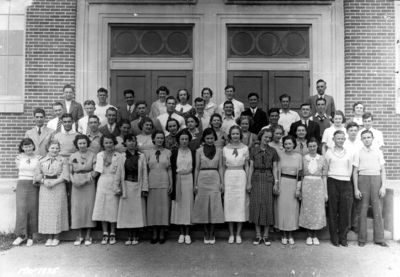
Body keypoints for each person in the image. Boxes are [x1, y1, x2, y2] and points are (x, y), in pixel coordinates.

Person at [353, 130, 388, 248]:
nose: (367, 139)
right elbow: (354, 172)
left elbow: (383, 170)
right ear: (361, 139)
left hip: (376, 179)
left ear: (372, 138)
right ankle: (362, 239)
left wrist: (383, 186)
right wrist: (356, 189)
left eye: (369, 137)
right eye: (364, 138)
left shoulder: (378, 152)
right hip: (363, 180)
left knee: (377, 208)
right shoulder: (358, 153)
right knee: (362, 209)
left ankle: (379, 238)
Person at [113, 134, 148, 246]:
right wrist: (116, 187)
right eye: (129, 141)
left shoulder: (141, 156)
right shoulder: (121, 156)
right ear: (125, 143)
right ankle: (129, 235)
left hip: (137, 186)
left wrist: (144, 188)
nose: (131, 143)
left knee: (137, 212)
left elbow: (144, 174)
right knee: (127, 212)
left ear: (136, 142)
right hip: (126, 186)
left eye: (133, 141)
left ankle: (135, 235)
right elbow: (118, 173)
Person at [33, 140, 69, 247]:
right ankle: (49, 237)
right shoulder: (41, 160)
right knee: (47, 212)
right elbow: (36, 175)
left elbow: (65, 175)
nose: (54, 150)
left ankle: (56, 237)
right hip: (45, 188)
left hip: (58, 186)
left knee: (57, 211)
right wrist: (43, 181)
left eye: (57, 148)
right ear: (48, 148)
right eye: (52, 148)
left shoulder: (63, 160)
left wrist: (54, 182)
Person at [192, 128, 225, 244]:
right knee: (203, 205)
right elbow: (196, 168)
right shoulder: (199, 151)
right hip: (202, 178)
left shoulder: (220, 150)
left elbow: (221, 167)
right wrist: (195, 184)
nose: (210, 140)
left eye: (212, 138)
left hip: (215, 177)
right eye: (207, 138)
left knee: (215, 205)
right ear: (204, 139)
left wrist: (222, 183)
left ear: (215, 138)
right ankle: (206, 232)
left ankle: (212, 232)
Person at [247, 129, 279, 246]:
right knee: (256, 205)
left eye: (269, 138)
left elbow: (275, 168)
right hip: (256, 178)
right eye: (266, 137)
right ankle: (258, 235)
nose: (267, 139)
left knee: (267, 205)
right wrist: (249, 182)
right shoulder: (253, 150)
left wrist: (276, 182)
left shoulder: (273, 151)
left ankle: (265, 236)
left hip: (268, 178)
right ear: (261, 137)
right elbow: (251, 167)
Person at [324, 130, 354, 247]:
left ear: (344, 140)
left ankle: (343, 237)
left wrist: (346, 178)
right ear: (333, 140)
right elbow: (326, 170)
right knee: (333, 210)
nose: (340, 141)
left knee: (345, 211)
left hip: (346, 182)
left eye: (342, 139)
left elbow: (350, 169)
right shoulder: (328, 153)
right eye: (338, 139)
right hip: (332, 181)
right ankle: (334, 238)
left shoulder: (348, 153)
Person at [92, 134, 121, 245]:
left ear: (114, 143)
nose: (108, 145)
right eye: (106, 143)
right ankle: (105, 233)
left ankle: (113, 233)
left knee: (113, 207)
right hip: (103, 181)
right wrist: (88, 178)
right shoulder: (100, 155)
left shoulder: (118, 155)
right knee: (103, 206)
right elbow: (98, 170)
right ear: (103, 144)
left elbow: (119, 170)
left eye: (110, 143)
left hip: (114, 181)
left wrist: (118, 185)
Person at [298, 138, 328, 246]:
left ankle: (315, 236)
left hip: (318, 185)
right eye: (310, 146)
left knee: (317, 210)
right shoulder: (303, 158)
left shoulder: (322, 159)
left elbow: (324, 176)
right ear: (307, 147)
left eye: (314, 146)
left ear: (317, 147)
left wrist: (325, 192)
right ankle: (308, 235)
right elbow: (300, 176)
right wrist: (300, 190)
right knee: (307, 209)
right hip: (306, 185)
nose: (312, 148)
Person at [12, 138, 42, 247]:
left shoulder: (39, 158)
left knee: (32, 210)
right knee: (21, 210)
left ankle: (30, 236)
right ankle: (21, 235)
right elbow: (20, 171)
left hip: (34, 185)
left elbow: (41, 172)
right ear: (22, 147)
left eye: (30, 146)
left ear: (33, 146)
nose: (28, 148)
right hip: (22, 184)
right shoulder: (19, 157)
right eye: (25, 146)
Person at [223, 126, 250, 244]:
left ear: (240, 135)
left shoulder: (245, 148)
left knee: (240, 204)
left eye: (237, 134)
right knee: (229, 204)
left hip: (240, 176)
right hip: (229, 176)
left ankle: (238, 234)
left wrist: (248, 181)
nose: (235, 136)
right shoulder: (225, 149)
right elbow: (223, 166)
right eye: (233, 134)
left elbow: (248, 166)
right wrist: (222, 182)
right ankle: (231, 234)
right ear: (230, 135)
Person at [69, 135, 97, 246]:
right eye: (80, 143)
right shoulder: (73, 156)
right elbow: (70, 172)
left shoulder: (93, 155)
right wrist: (74, 181)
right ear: (77, 144)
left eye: (84, 143)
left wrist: (86, 180)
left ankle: (88, 235)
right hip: (76, 184)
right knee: (77, 208)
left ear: (87, 143)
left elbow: (96, 171)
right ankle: (79, 235)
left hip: (89, 182)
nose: (82, 145)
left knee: (88, 207)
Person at [145, 131, 172, 244]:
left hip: (164, 180)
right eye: (158, 138)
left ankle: (162, 233)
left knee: (163, 207)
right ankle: (154, 233)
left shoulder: (168, 152)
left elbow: (170, 169)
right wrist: (145, 185)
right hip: (152, 181)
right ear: (153, 139)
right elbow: (145, 169)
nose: (160, 140)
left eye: (162, 138)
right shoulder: (148, 153)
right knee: (153, 208)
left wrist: (171, 183)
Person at [274, 135, 302, 245]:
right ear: (283, 145)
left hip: (293, 184)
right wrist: (277, 185)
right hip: (282, 184)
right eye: (286, 144)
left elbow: (300, 173)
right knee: (282, 209)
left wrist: (298, 188)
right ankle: (283, 235)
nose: (288, 146)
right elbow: (277, 171)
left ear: (293, 144)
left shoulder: (298, 157)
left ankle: (291, 235)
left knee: (292, 210)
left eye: (290, 144)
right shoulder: (280, 155)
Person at [170, 130, 196, 244]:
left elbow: (195, 168)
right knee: (179, 205)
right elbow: (171, 169)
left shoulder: (193, 152)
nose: (184, 141)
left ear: (189, 140)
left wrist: (195, 184)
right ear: (178, 140)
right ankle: (181, 233)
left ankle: (188, 233)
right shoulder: (174, 153)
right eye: (182, 139)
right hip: (178, 179)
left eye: (186, 139)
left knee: (188, 204)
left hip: (189, 179)